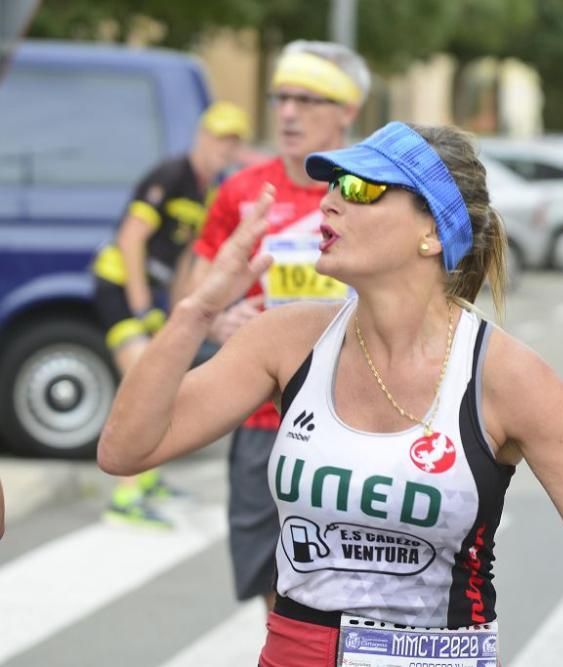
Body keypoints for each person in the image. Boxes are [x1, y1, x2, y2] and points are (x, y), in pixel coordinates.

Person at [97, 121, 563, 665]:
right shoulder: (286, 339)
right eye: (330, 185)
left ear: (430, 231)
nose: (328, 203)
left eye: (360, 188)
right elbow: (125, 450)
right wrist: (197, 311)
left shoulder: (507, 378)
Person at [178, 40, 370, 611]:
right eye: (281, 98)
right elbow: (195, 285)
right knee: (276, 585)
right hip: (263, 413)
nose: (288, 113)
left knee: (352, 583)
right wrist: (216, 319)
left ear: (347, 110)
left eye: (308, 99)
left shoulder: (369, 187)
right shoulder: (242, 191)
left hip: (357, 414)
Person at [92, 101, 250, 528]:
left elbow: (187, 259)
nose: (223, 147)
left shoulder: (211, 190)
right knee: (142, 378)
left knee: (161, 382)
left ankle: (146, 480)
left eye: (233, 140)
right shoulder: (170, 174)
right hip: (118, 285)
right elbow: (130, 240)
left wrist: (183, 311)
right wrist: (143, 307)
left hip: (153, 294)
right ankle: (126, 496)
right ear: (201, 136)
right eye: (218, 137)